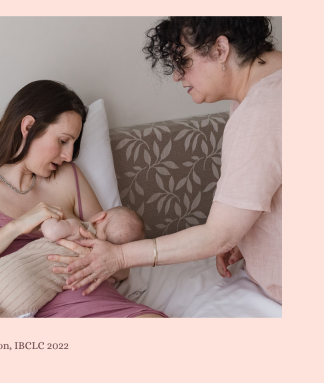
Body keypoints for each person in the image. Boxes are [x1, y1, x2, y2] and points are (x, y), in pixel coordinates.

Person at [50, 17, 282, 304]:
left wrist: (119, 256)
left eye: (183, 61)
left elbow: (218, 235)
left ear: (221, 49)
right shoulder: (262, 93)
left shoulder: (261, 112)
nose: (176, 76)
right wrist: (245, 237)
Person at [0, 80, 167, 318]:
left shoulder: (68, 177)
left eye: (73, 144)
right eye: (62, 141)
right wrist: (15, 228)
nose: (69, 155)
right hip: (23, 310)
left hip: (93, 299)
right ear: (28, 127)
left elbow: (119, 265)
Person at [0, 207, 146, 318]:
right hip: (29, 300)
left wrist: (50, 220)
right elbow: (118, 275)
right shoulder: (101, 266)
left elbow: (52, 232)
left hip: (11, 269)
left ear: (100, 217)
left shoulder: (79, 228)